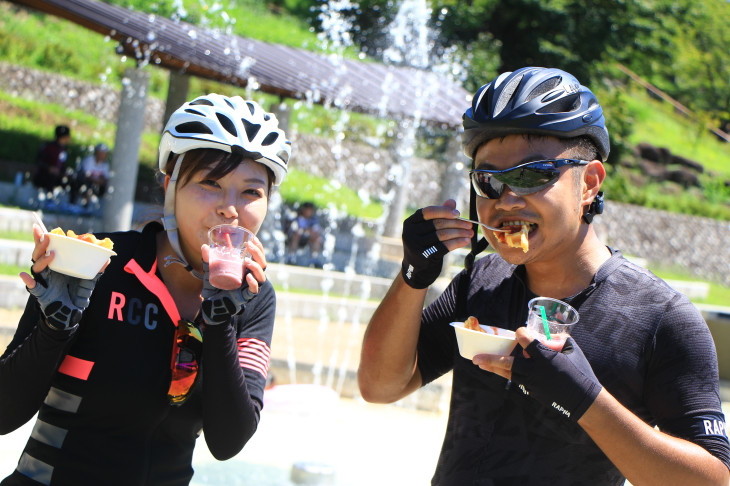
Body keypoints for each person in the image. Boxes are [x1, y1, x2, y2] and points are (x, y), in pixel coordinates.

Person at [358, 67, 730, 485]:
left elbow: (714, 479)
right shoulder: (482, 281)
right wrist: (414, 274)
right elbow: (380, 386)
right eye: (488, 181)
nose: (507, 200)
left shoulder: (660, 316)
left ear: (589, 183)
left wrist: (583, 399)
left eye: (532, 174)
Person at [0, 94, 291, 485]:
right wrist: (54, 329)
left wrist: (219, 322)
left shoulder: (254, 298)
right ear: (170, 184)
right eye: (210, 182)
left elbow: (228, 442)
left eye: (251, 192)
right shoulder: (94, 261)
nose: (230, 208)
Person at [32, 125, 73, 198]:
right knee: (52, 176)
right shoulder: (48, 146)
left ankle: (70, 202)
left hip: (57, 175)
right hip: (44, 174)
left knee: (71, 178)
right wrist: (49, 168)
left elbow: (62, 164)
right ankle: (49, 198)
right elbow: (39, 161)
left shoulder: (64, 149)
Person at [285, 201, 323, 268]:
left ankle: (314, 259)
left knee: (317, 238)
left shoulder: (313, 220)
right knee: (296, 235)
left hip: (307, 239)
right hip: (295, 238)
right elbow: (293, 229)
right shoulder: (296, 217)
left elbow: (316, 229)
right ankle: (291, 257)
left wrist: (307, 231)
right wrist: (304, 230)